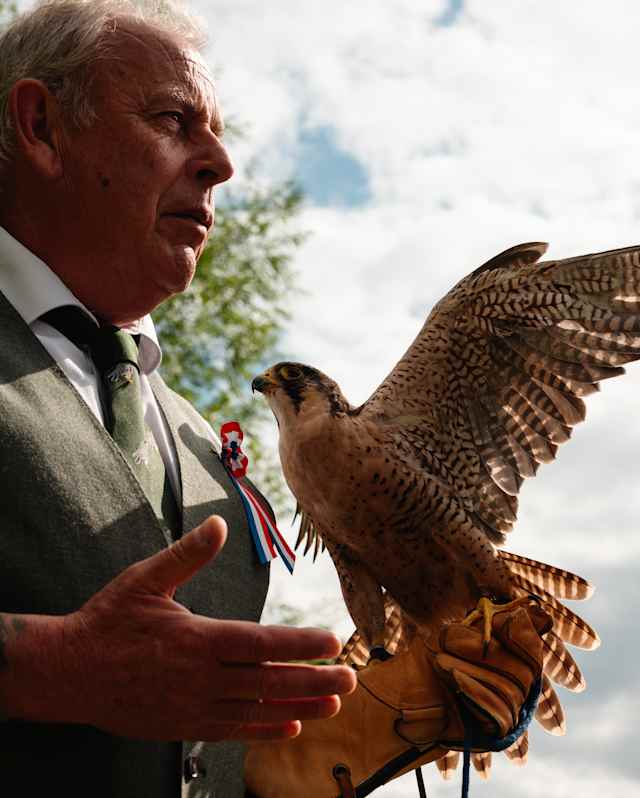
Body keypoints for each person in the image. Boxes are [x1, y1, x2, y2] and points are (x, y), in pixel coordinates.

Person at [0, 1, 356, 796]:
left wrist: (347, 737)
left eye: (219, 132)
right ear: (42, 127)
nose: (221, 164)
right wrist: (45, 669)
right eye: (172, 119)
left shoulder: (202, 444)